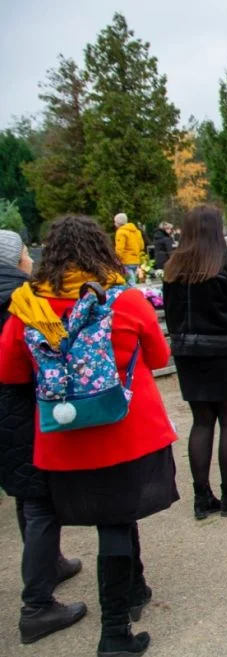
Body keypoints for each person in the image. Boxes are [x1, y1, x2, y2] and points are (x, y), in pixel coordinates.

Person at [0, 216, 178, 656]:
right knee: (117, 522)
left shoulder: (27, 306)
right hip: (125, 430)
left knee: (115, 516)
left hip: (64, 439)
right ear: (103, 249)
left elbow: (11, 371)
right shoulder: (123, 300)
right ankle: (115, 630)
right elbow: (157, 355)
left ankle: (136, 588)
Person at [0, 230, 86, 645]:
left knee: (26, 495)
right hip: (19, 410)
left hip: (6, 413)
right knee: (39, 504)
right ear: (18, 260)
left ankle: (50, 562)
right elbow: (19, 366)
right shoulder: (22, 299)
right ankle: (36, 606)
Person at [163, 205, 227, 520]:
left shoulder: (173, 268)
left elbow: (171, 314)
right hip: (225, 352)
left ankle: (201, 495)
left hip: (188, 354)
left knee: (202, 422)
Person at [113, 213, 144, 285]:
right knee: (132, 281)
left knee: (130, 283)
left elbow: (119, 249)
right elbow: (141, 246)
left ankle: (134, 295)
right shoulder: (137, 232)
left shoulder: (121, 232)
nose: (114, 224)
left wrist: (116, 260)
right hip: (136, 260)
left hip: (126, 261)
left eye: (115, 222)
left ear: (118, 223)